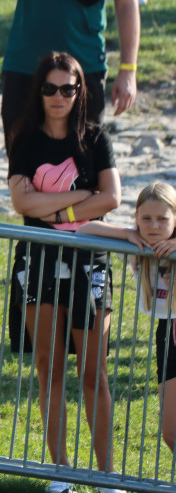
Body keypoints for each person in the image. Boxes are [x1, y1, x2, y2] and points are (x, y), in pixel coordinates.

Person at [7, 51, 126, 493]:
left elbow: (110, 197)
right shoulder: (26, 139)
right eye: (51, 88)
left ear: (80, 92)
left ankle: (107, 474)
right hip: (38, 262)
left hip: (89, 264)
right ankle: (61, 470)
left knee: (94, 372)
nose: (60, 97)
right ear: (39, 92)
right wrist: (79, 199)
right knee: (49, 368)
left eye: (68, 88)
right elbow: (21, 203)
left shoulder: (96, 138)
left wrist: (60, 208)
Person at [79, 182, 176, 456]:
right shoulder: (138, 246)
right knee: (171, 433)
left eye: (163, 219)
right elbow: (84, 230)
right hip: (168, 332)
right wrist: (128, 234)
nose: (154, 225)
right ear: (136, 218)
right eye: (146, 218)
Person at [1, 0, 141, 146]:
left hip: (84, 64)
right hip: (24, 63)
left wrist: (128, 70)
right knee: (21, 160)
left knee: (86, 159)